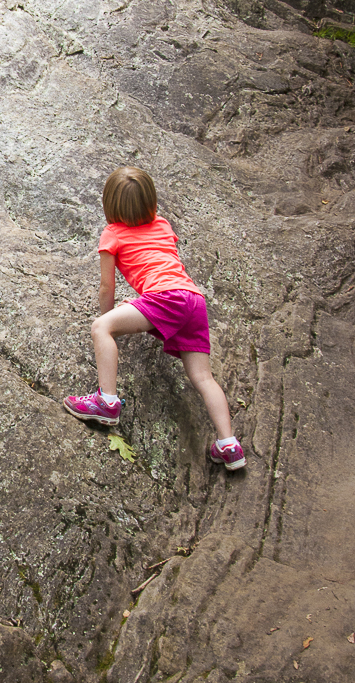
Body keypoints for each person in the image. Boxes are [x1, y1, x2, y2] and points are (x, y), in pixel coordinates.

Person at [62, 166, 246, 470]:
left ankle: (106, 402)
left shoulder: (112, 234)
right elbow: (158, 267)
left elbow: (107, 285)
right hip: (193, 300)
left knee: (100, 328)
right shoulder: (162, 225)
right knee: (203, 377)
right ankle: (229, 445)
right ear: (152, 202)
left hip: (165, 298)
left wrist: (108, 320)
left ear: (110, 205)